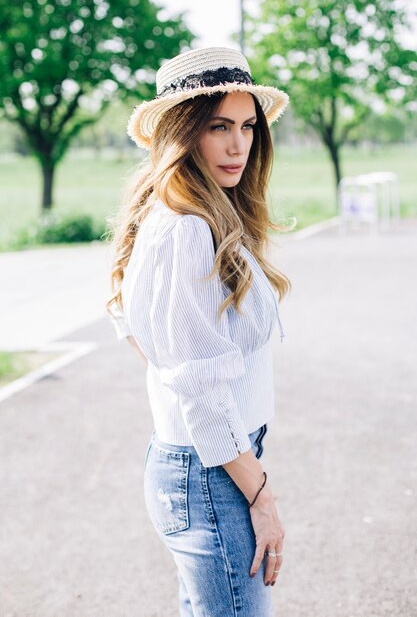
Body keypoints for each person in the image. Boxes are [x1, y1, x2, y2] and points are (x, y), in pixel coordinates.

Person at [106, 46, 291, 616]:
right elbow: (200, 384)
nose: (239, 145)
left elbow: (140, 328)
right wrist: (260, 495)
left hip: (205, 465)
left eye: (247, 127)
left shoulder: (182, 217)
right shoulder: (186, 229)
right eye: (218, 127)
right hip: (215, 474)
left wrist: (177, 372)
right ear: (185, 134)